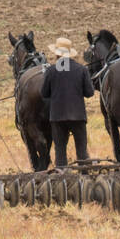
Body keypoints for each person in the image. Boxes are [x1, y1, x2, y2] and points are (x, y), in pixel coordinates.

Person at [41, 36, 94, 167]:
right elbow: (90, 93)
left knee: (60, 151)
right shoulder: (82, 69)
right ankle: (84, 178)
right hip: (78, 116)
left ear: (57, 53)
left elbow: (44, 93)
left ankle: (62, 180)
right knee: (82, 151)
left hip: (58, 117)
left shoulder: (51, 71)